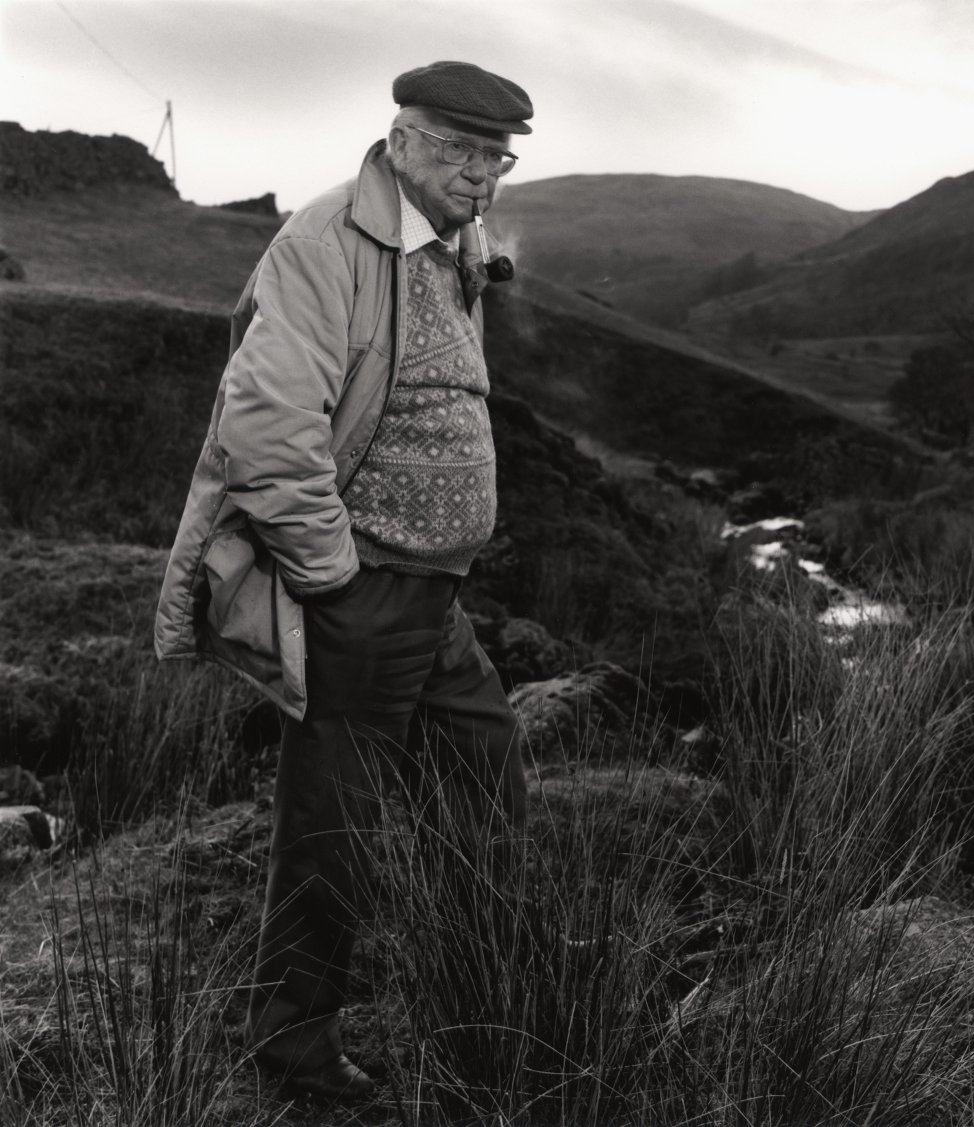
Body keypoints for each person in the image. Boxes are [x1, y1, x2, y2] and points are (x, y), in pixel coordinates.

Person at [154, 60, 533, 1100]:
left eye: (496, 156)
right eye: (459, 150)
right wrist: (331, 576)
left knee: (484, 773)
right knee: (333, 832)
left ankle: (474, 990)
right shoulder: (324, 242)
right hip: (363, 589)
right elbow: (267, 427)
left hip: (428, 594)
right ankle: (296, 1056)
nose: (481, 173)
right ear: (401, 138)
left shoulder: (455, 240)